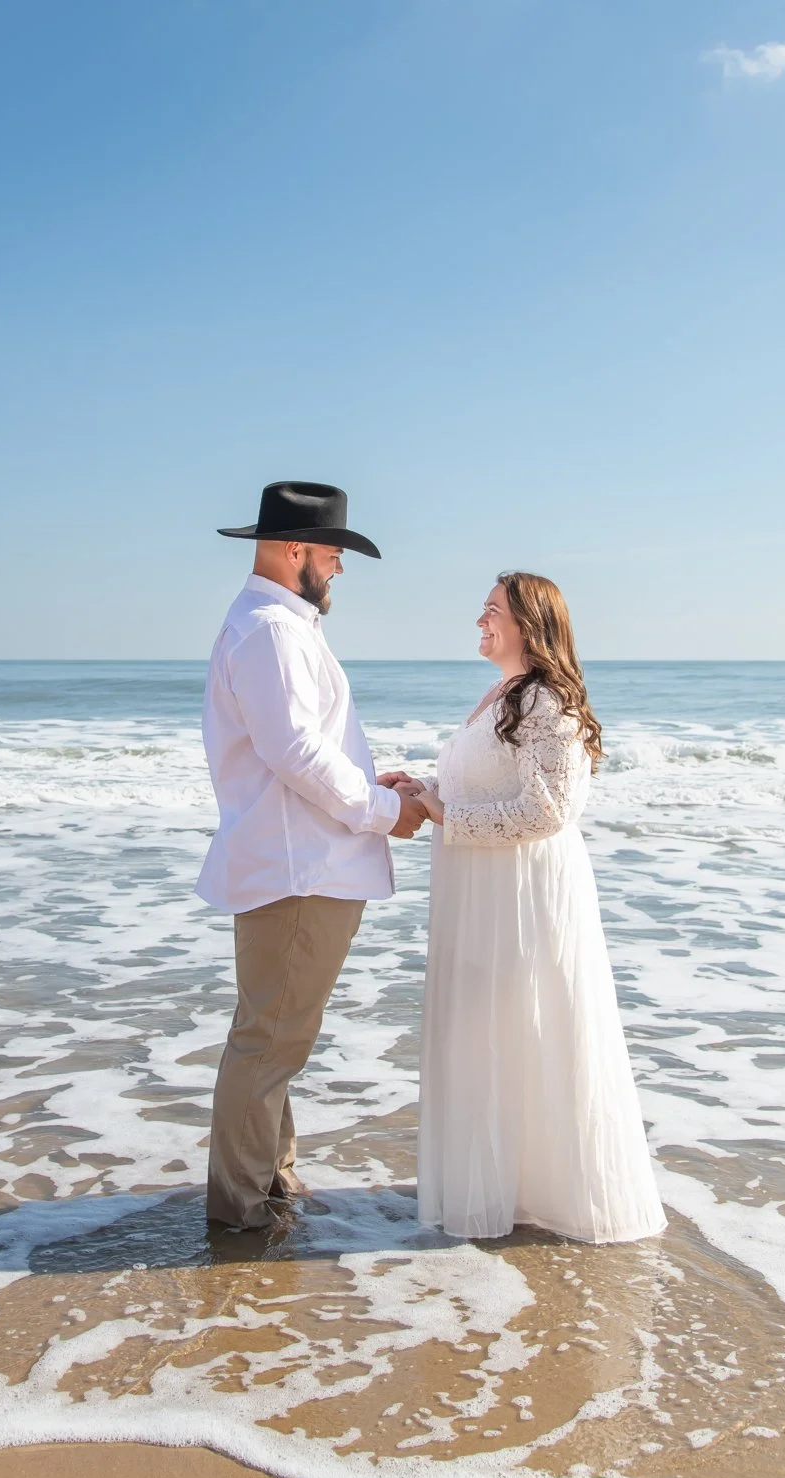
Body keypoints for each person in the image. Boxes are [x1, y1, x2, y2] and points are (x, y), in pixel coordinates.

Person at [195, 481, 424, 1229]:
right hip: (300, 871)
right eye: (333, 553)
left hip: (299, 861)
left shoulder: (276, 624)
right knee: (269, 1041)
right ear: (296, 549)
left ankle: (270, 1179)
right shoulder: (271, 630)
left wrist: (371, 784)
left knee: (276, 1037)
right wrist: (384, 811)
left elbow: (300, 747)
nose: (339, 568)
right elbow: (294, 751)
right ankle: (241, 1210)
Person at [412, 572, 667, 1243]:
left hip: (520, 893)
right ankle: (503, 1183)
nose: (479, 621)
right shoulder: (503, 694)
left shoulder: (548, 702)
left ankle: (546, 1190)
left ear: (528, 624)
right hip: (484, 887)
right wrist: (424, 788)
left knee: (525, 1026)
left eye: (491, 611)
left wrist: (444, 814)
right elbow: (486, 780)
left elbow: (546, 811)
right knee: (490, 1033)